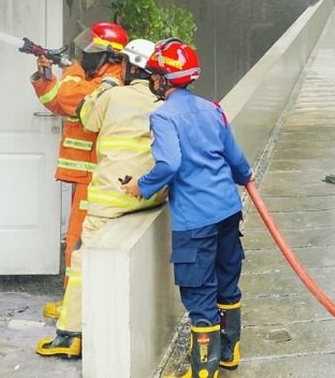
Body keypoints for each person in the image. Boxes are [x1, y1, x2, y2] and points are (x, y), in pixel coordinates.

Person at [122, 38, 253, 376]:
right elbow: (237, 160)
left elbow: (169, 163)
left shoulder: (163, 116)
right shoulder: (212, 109)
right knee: (227, 282)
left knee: (199, 293)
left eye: (154, 75)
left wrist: (141, 186)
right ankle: (229, 352)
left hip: (195, 222)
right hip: (228, 210)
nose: (152, 80)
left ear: (163, 80)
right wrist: (246, 177)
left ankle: (203, 370)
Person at [36, 39, 168, 358]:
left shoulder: (114, 95)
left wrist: (103, 86)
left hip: (112, 196)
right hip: (150, 196)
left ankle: (70, 335)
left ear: (129, 67)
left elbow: (87, 118)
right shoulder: (162, 104)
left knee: (83, 258)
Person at [30, 22, 127, 319]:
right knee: (77, 240)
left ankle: (74, 309)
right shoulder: (93, 76)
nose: (84, 55)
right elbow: (58, 103)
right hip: (85, 176)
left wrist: (70, 70)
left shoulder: (112, 81)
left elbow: (71, 96)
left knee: (77, 239)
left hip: (94, 178)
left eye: (91, 50)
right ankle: (74, 303)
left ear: (111, 56)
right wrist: (46, 78)